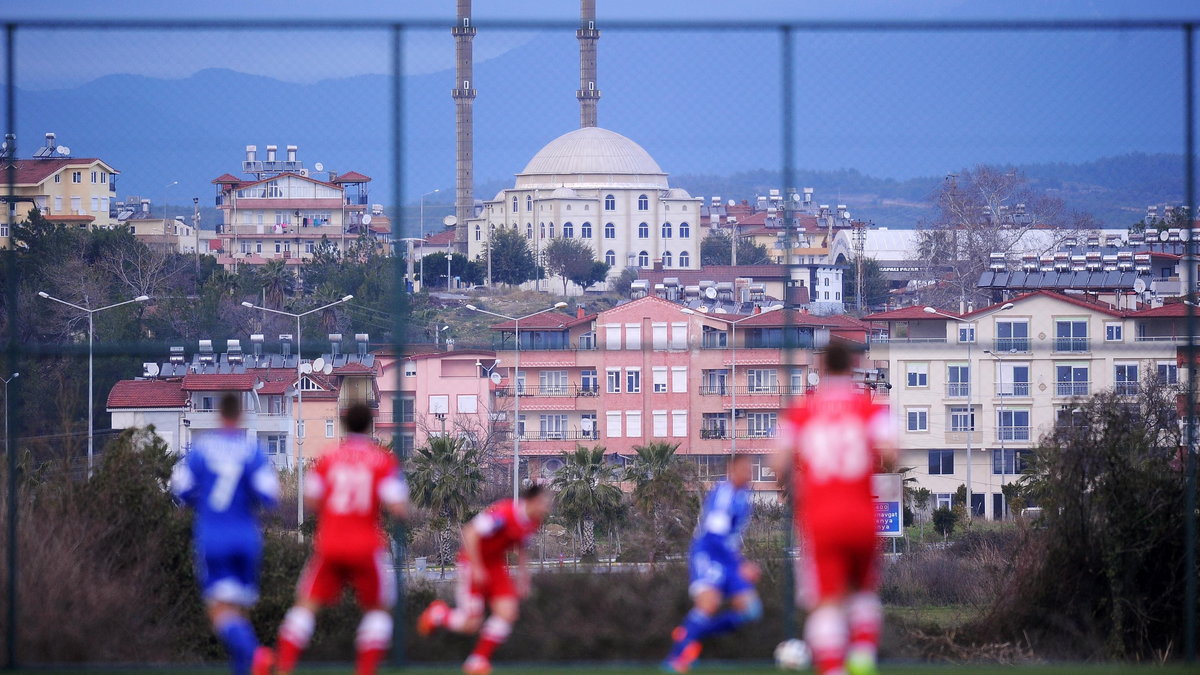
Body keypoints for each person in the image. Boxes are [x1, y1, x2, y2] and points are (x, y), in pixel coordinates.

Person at [773, 341, 896, 675]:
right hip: (861, 514)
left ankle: (834, 669)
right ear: (853, 366)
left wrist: (796, 479)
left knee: (826, 602)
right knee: (863, 593)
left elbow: (777, 461)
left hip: (822, 518)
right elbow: (892, 452)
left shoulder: (802, 410)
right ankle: (862, 658)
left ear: (821, 369)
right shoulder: (868, 408)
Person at [273, 402, 408, 675]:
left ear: (345, 426)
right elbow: (398, 505)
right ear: (370, 425)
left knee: (306, 607)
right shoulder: (382, 460)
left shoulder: (329, 457)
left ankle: (284, 666)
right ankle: (365, 671)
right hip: (366, 545)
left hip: (330, 544)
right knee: (378, 611)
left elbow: (311, 498)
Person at [171, 392, 280, 675]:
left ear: (219, 415)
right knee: (240, 612)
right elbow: (270, 494)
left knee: (220, 612)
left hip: (214, 537)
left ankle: (257, 655)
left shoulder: (203, 450)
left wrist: (201, 499)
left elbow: (180, 489)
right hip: (246, 538)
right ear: (239, 416)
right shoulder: (252, 452)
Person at [417, 484, 553, 675]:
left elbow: (522, 548)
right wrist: (478, 566)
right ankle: (438, 614)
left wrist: (524, 579)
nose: (547, 507)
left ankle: (477, 661)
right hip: (472, 562)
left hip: (495, 566)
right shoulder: (504, 513)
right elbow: (470, 532)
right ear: (531, 500)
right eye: (544, 502)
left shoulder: (532, 521)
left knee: (508, 613)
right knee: (471, 624)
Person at [662, 453, 762, 673]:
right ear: (732, 470)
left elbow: (730, 537)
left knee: (751, 610)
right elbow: (715, 537)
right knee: (709, 605)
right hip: (708, 554)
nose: (749, 472)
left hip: (728, 558)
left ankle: (688, 633)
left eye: (750, 468)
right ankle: (676, 660)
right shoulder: (723, 495)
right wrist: (741, 564)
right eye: (745, 468)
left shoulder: (743, 496)